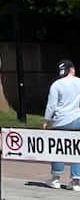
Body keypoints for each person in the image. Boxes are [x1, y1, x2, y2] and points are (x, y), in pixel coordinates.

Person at [44, 59, 80, 190]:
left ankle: (56, 179)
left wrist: (47, 120)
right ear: (72, 69)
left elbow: (51, 105)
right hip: (77, 119)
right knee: (76, 149)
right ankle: (75, 181)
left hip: (61, 120)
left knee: (57, 148)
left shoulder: (57, 84)